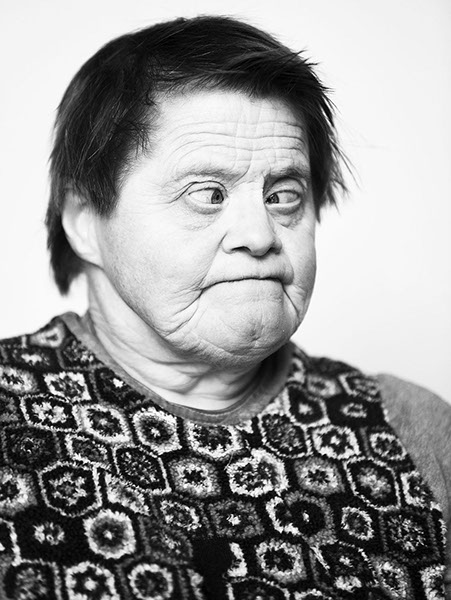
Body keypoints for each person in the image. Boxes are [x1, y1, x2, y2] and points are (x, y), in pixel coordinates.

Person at [0, 15, 449, 600]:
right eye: (207, 194)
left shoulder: (414, 425)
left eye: (283, 195)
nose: (260, 235)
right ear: (86, 223)